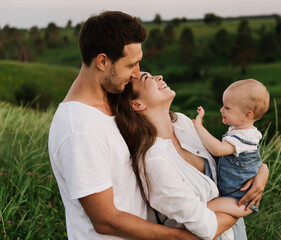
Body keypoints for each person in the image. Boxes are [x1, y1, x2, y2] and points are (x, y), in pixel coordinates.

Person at [48, 11, 201, 239]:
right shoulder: (79, 129)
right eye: (132, 64)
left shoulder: (115, 102)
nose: (137, 74)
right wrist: (182, 238)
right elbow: (106, 220)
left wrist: (250, 165)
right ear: (102, 61)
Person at [108, 72, 269, 240]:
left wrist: (262, 171)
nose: (160, 77)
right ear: (137, 104)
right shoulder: (154, 161)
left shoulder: (182, 122)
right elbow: (207, 228)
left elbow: (229, 161)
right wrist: (242, 207)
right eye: (147, 78)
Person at [193, 79, 270, 218]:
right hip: (231, 192)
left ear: (247, 115)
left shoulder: (246, 136)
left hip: (239, 199)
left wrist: (199, 127)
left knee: (203, 210)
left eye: (227, 108)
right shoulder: (237, 130)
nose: (221, 110)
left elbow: (218, 149)